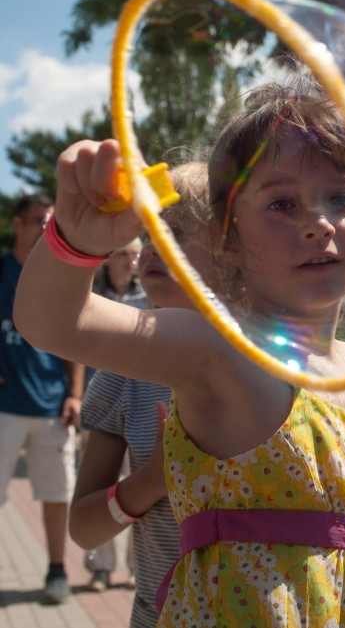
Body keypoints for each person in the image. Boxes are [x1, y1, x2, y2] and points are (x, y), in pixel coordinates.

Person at [13, 73, 345, 627]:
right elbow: (53, 321)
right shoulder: (218, 350)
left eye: (341, 198)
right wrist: (75, 242)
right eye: (281, 204)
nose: (317, 222)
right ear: (227, 238)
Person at [71, 163, 210, 628]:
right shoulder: (123, 369)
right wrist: (151, 481)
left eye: (180, 233)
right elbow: (84, 526)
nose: (153, 247)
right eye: (150, 231)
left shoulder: (270, 362)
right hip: (162, 615)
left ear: (233, 251)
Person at [0, 193, 85, 604]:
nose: (44, 227)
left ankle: (57, 571)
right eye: (37, 220)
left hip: (52, 406)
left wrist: (75, 394)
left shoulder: (58, 274)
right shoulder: (1, 271)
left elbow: (74, 339)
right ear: (17, 223)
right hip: (5, 408)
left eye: (50, 220)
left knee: (56, 493)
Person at [82, 235, 145, 593]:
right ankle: (100, 568)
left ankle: (137, 566)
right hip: (99, 408)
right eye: (123, 254)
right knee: (98, 491)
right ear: (107, 258)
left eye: (136, 255)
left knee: (136, 488)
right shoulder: (89, 296)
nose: (131, 262)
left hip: (138, 404)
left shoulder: (149, 298)